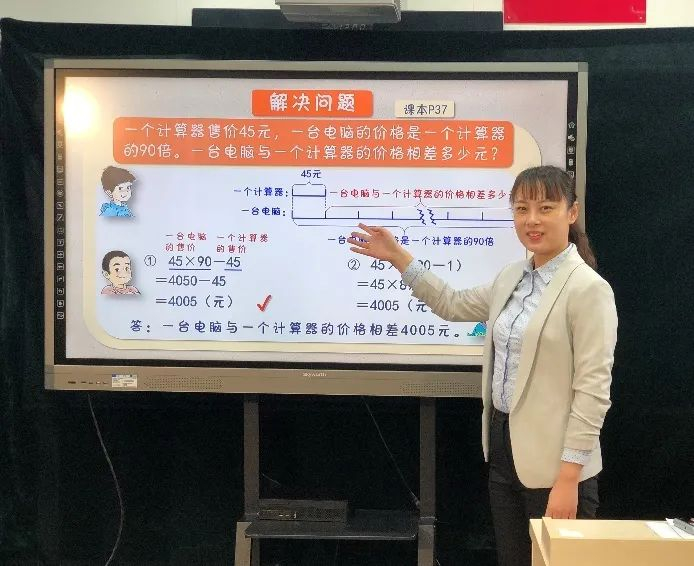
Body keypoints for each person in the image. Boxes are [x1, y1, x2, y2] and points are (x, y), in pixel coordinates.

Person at [347, 166, 617, 566]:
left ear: (571, 213)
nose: (532, 220)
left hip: (558, 466)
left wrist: (568, 478)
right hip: (506, 452)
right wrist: (399, 257)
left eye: (546, 208)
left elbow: (593, 390)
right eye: (521, 209)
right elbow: (452, 303)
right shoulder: (512, 277)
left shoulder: (588, 289)